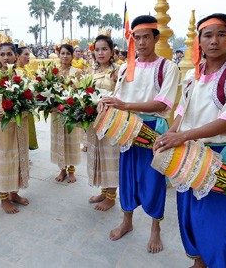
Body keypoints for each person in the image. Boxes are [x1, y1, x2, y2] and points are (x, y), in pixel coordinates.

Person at [155, 13, 226, 267]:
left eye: (221, 34)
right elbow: (181, 111)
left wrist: (183, 136)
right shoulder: (192, 74)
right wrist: (171, 134)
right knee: (190, 212)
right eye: (207, 35)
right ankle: (199, 261)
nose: (214, 41)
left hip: (221, 155)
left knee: (219, 219)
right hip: (188, 153)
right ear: (199, 41)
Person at [101, 15, 180, 253]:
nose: (142, 42)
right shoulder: (127, 67)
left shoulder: (168, 67)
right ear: (132, 40)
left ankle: (155, 229)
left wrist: (126, 106)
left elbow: (162, 104)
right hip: (127, 129)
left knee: (153, 181)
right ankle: (127, 221)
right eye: (137, 37)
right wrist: (107, 104)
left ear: (156, 38)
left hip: (152, 131)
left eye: (147, 37)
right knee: (127, 177)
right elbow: (118, 98)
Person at [0, 43, 30, 214]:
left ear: (15, 56)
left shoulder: (21, 75)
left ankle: (14, 193)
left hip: (21, 123)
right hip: (4, 124)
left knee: (18, 156)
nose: (6, 57)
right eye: (3, 54)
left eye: (9, 54)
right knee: (6, 158)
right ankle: (3, 198)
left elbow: (30, 95)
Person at [86, 35, 120, 211]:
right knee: (98, 156)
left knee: (110, 157)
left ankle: (111, 197)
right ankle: (104, 191)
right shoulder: (90, 70)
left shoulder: (117, 71)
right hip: (93, 121)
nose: (100, 53)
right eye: (97, 49)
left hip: (111, 121)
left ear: (112, 51)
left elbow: (121, 95)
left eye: (104, 49)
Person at [51, 44, 83, 183]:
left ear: (72, 56)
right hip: (56, 111)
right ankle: (62, 169)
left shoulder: (77, 72)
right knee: (59, 139)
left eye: (68, 53)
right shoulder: (53, 71)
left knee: (71, 139)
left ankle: (71, 171)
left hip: (70, 111)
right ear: (59, 55)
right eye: (62, 53)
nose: (65, 56)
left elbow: (80, 91)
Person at [15, 43, 39, 151]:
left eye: (28, 55)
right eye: (26, 54)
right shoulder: (16, 71)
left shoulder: (26, 70)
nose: (28, 57)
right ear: (18, 56)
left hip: (28, 104)